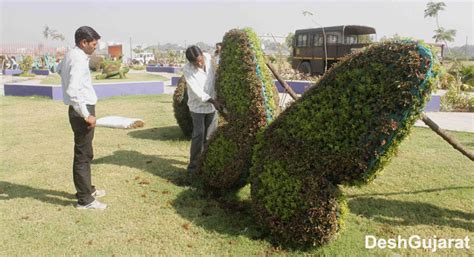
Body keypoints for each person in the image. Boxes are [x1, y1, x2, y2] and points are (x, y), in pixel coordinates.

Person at [57, 26, 106, 210]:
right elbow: (73, 91)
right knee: (82, 156)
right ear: (83, 42)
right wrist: (86, 115)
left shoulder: (71, 54)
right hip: (81, 111)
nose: (95, 47)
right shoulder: (77, 59)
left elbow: (57, 68)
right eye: (93, 44)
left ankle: (88, 190)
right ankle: (85, 200)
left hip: (79, 109)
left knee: (86, 152)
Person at [183, 45, 222, 174]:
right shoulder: (188, 70)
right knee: (198, 135)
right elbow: (198, 92)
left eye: (200, 60)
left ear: (202, 55)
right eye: (196, 62)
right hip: (198, 107)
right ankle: (193, 167)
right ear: (191, 62)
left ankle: (208, 163)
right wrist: (213, 101)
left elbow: (217, 73)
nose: (199, 63)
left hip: (212, 106)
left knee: (211, 136)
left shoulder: (209, 58)